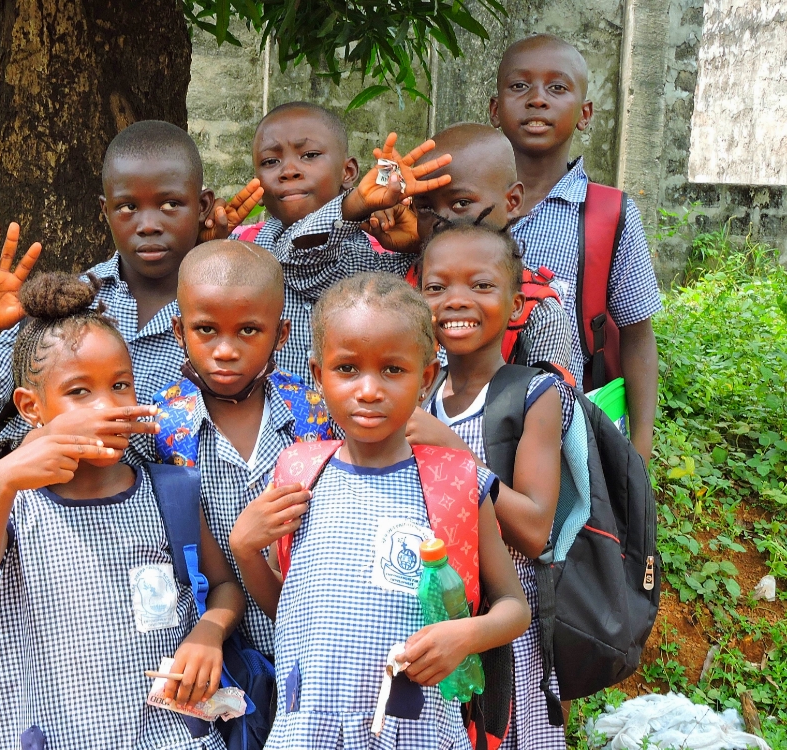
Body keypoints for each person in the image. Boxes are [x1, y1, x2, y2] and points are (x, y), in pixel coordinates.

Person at [229, 272, 531, 749]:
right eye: (347, 369)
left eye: (392, 370)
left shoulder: (456, 481)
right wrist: (245, 551)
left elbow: (515, 608)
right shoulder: (299, 473)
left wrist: (465, 636)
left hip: (415, 729)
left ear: (426, 376)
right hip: (308, 730)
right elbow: (286, 610)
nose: (368, 390)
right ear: (318, 375)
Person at [0, 271, 245, 750]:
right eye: (79, 392)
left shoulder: (166, 492)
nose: (108, 406)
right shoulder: (13, 500)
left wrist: (208, 632)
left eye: (121, 384)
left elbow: (226, 587)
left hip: (171, 737)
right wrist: (3, 479)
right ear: (31, 407)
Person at [0, 120, 262, 467]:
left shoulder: (232, 309)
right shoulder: (65, 304)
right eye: (128, 207)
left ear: (203, 206)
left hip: (177, 518)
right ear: (105, 211)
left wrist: (216, 261)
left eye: (170, 204)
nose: (148, 225)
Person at [406, 221, 574, 750]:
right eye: (437, 288)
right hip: (437, 617)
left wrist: (454, 451)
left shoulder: (533, 393)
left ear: (517, 302)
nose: (457, 301)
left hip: (507, 627)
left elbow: (534, 529)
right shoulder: (417, 393)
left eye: (480, 286)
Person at [141, 239, 332, 659]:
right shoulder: (161, 427)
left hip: (315, 640)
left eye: (248, 330)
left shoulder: (315, 415)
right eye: (206, 330)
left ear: (281, 334)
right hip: (213, 649)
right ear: (180, 331)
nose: (225, 351)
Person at [490, 34, 661, 462]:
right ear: (495, 109)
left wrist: (639, 448)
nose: (537, 100)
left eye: (557, 88)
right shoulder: (463, 204)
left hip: (572, 430)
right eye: (519, 86)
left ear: (584, 114)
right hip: (468, 418)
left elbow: (638, 336)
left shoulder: (610, 213)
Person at [246, 101, 453, 386]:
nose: (288, 171)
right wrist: (356, 203)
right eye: (271, 161)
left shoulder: (369, 255)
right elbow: (295, 257)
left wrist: (418, 248)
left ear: (348, 172)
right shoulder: (245, 252)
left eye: (309, 155)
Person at [364, 122, 573, 375]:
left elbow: (551, 407)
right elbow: (308, 269)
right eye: (426, 207)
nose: (441, 221)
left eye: (461, 203)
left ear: (513, 201)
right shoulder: (397, 276)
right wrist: (359, 204)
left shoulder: (537, 311)